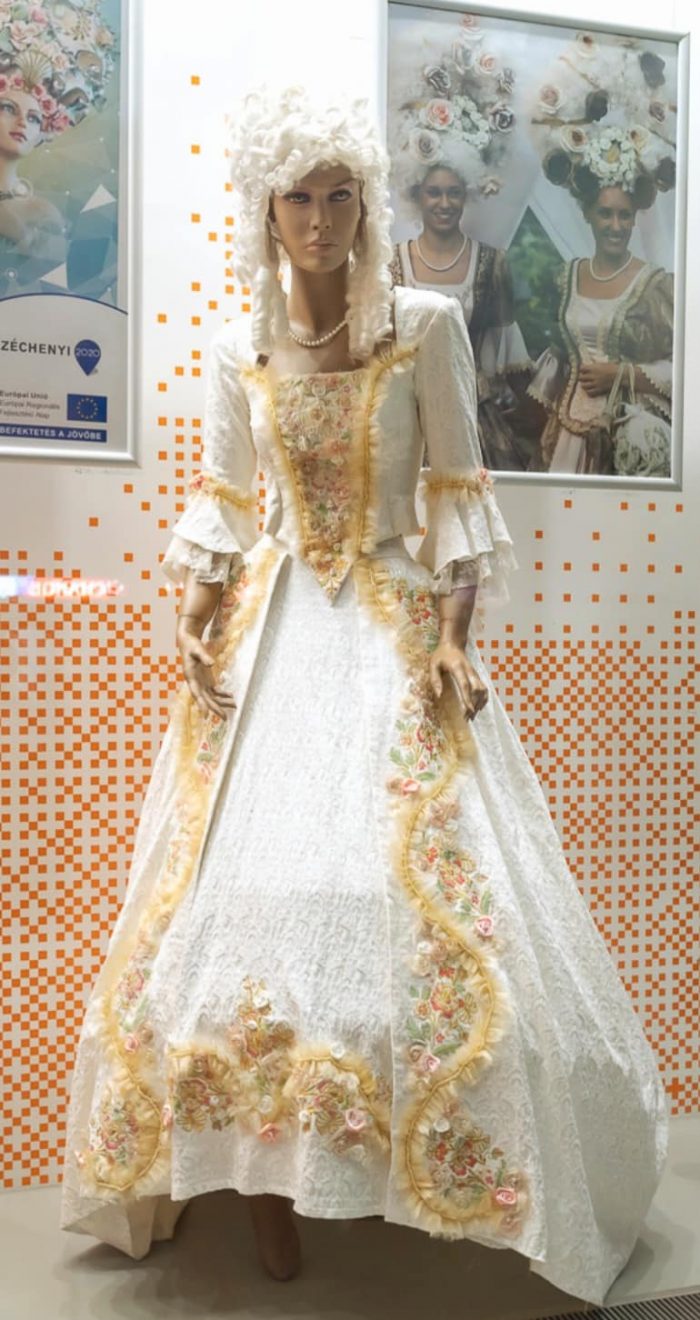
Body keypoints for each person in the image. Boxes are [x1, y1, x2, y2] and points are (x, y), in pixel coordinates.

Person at [60, 87, 667, 1302]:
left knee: (418, 891)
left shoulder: (424, 325)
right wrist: (194, 614)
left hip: (390, 628)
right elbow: (229, 501)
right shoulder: (238, 344)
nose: (321, 219)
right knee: (247, 899)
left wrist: (453, 638)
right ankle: (263, 1174)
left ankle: (407, 1153)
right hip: (274, 637)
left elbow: (456, 488)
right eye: (298, 197)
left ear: (366, 203)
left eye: (341, 195)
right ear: (265, 208)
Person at [387, 16, 533, 471]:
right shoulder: (391, 265)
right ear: (417, 194)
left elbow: (507, 360)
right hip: (405, 427)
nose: (445, 203)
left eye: (454, 192)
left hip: (473, 424)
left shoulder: (491, 264)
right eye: (434, 192)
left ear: (467, 193)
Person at [527, 33, 675, 476]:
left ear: (635, 218)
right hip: (567, 431)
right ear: (588, 215)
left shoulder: (656, 286)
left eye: (624, 215)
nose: (615, 226)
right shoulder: (567, 277)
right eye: (606, 214)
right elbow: (562, 357)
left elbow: (685, 368)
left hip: (630, 431)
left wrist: (622, 374)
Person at [0, 4, 115, 296]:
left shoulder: (40, 215)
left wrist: (17, 231)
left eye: (34, 118)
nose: (22, 123)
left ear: (46, 129)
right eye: (8, 108)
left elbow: (45, 293)